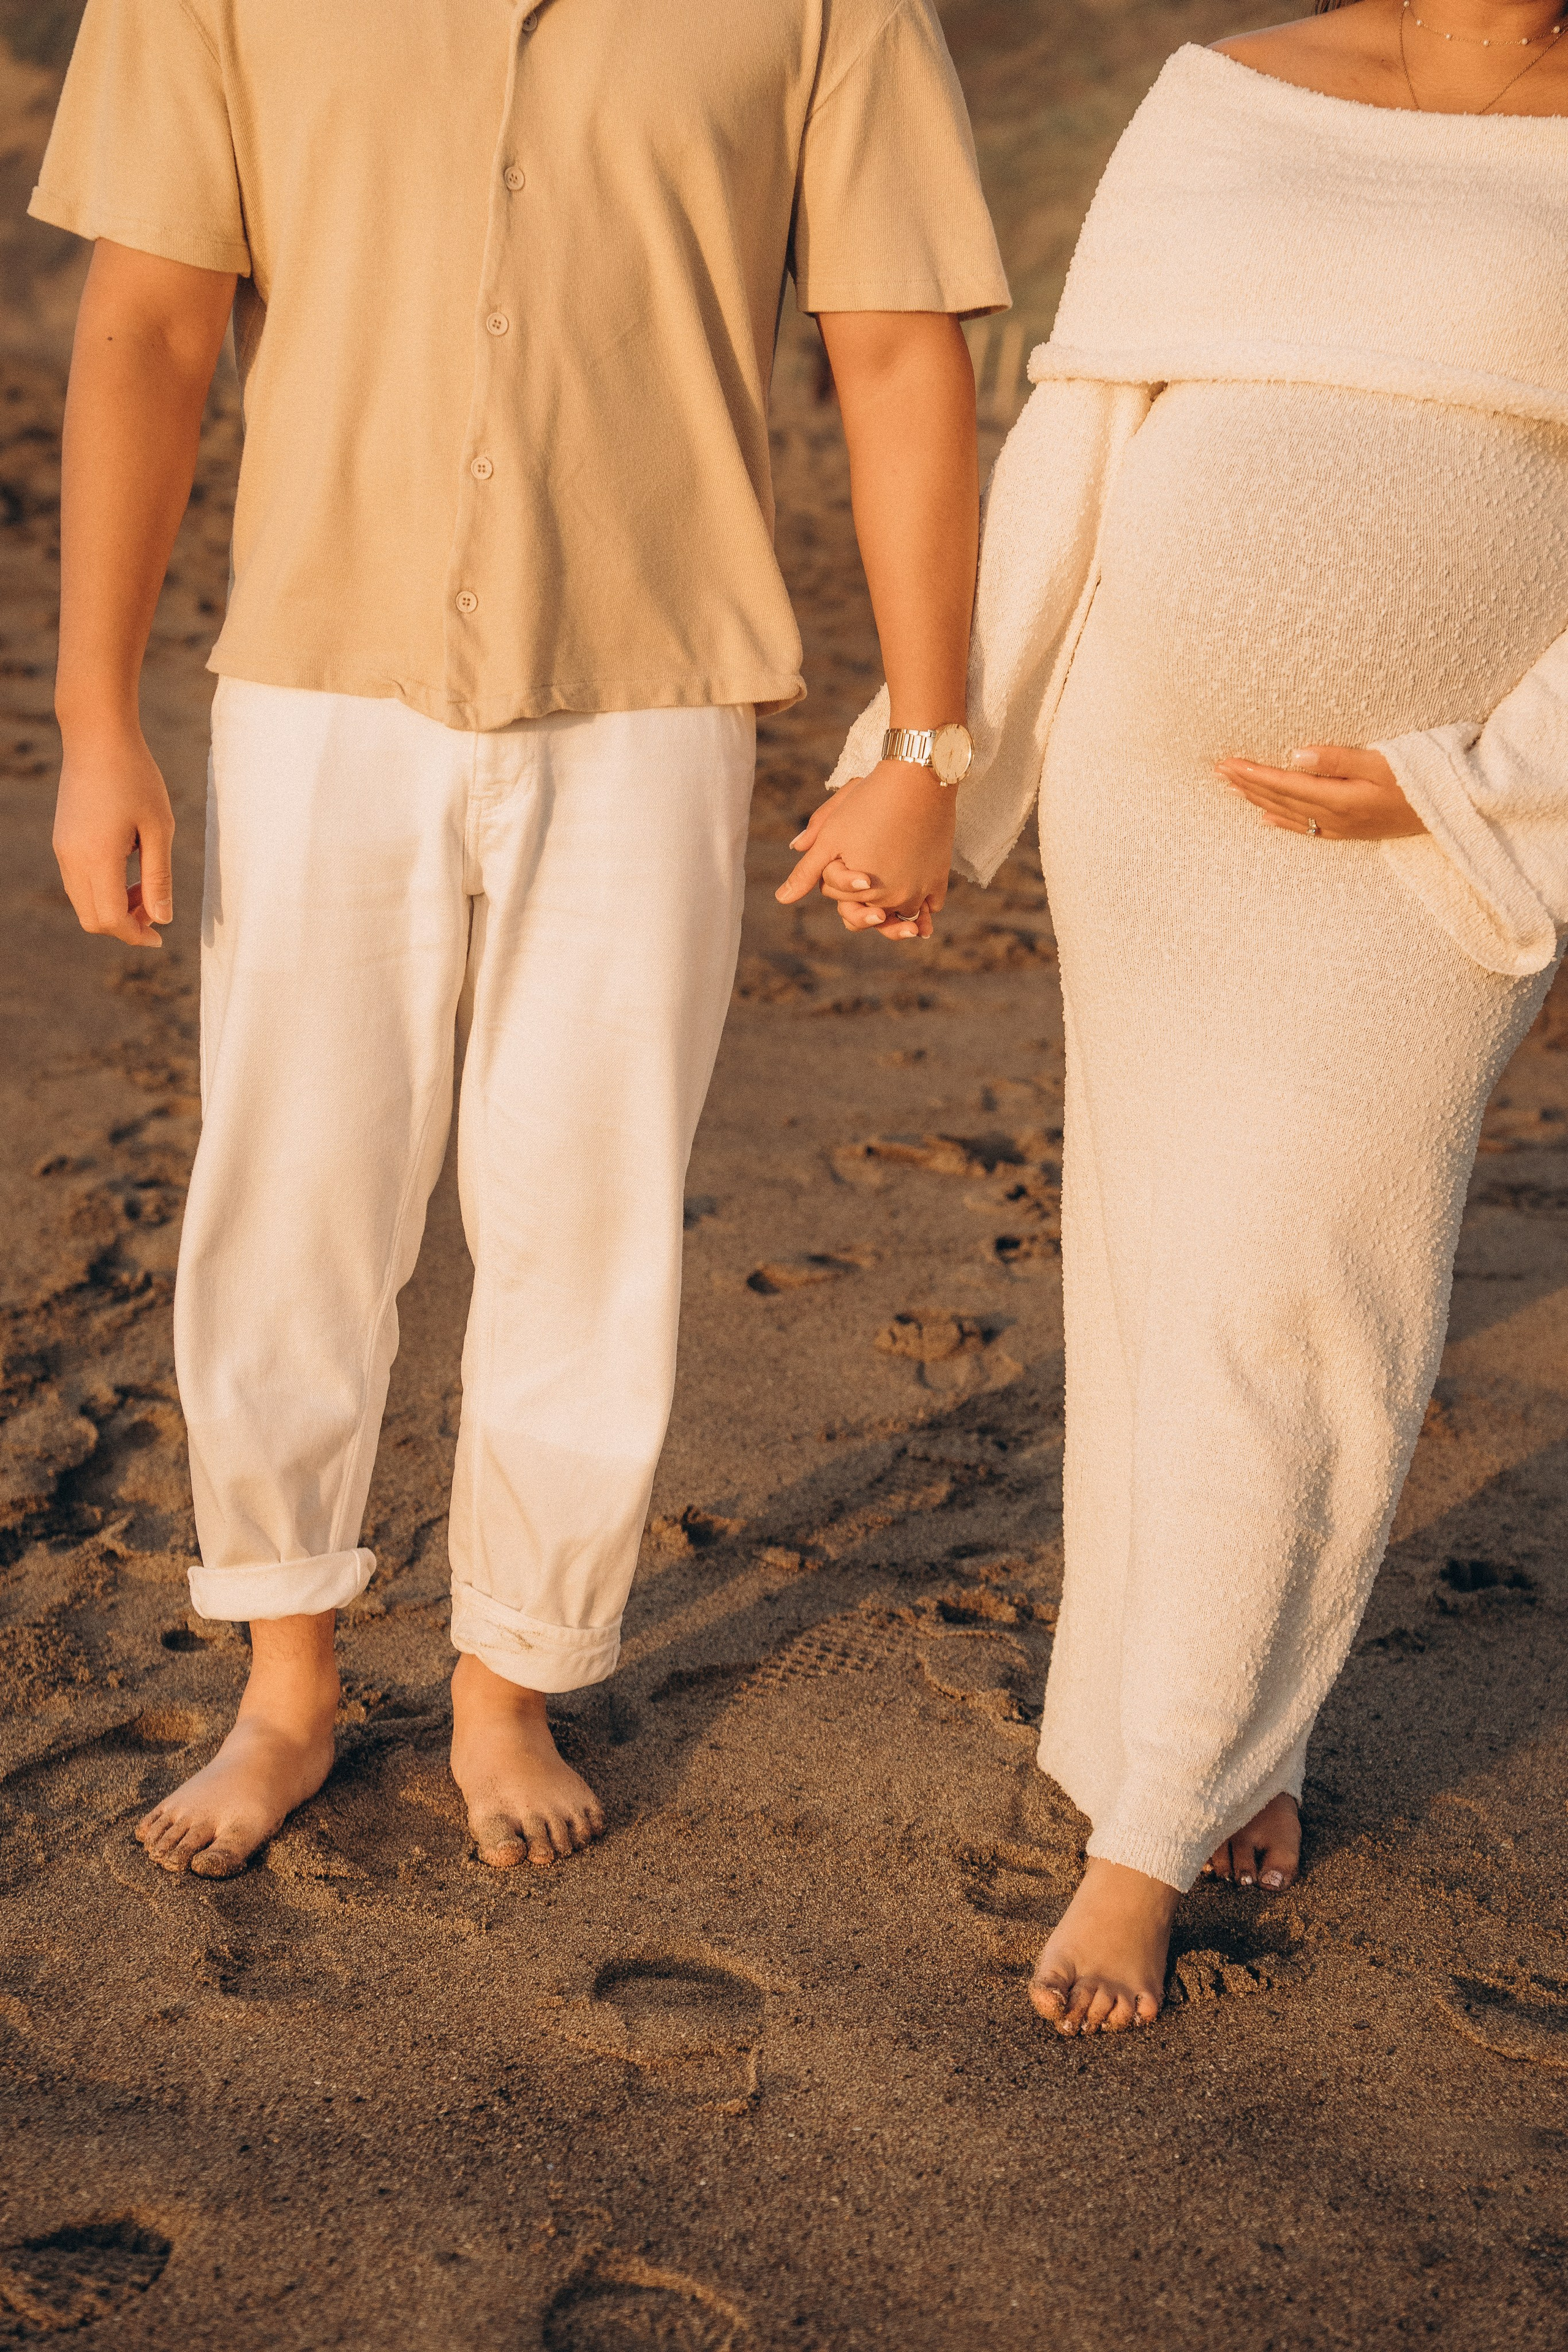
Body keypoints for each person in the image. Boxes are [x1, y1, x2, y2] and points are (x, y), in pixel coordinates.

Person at [35, 0, 1007, 1879]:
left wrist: (925, 737)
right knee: (292, 1199)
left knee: (589, 1215)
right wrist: (97, 717)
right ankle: (287, 1688)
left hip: (656, 703)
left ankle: (513, 1684)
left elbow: (897, 352)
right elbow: (149, 324)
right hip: (319, 688)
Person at [795, 0, 1568, 2030]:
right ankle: (1199, 1748)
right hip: (1153, 789)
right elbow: (1080, 439)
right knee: (1164, 1260)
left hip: (1443, 819)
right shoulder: (1223, 90)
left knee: (1308, 1266)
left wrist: (1472, 771)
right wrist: (928, 754)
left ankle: (1146, 1834)